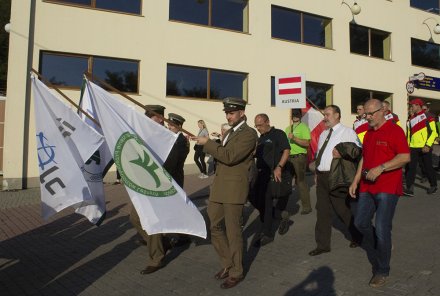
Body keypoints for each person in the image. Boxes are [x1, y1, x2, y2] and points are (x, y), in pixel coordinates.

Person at [194, 97, 257, 289]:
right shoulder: (229, 132)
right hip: (220, 188)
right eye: (227, 113)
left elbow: (230, 157)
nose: (228, 116)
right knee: (213, 226)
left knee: (234, 231)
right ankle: (227, 264)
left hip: (234, 189)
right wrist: (211, 143)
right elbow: (222, 154)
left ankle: (237, 271)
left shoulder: (249, 133)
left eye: (231, 113)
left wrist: (208, 143)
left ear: (242, 113)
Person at [349, 99, 410, 288]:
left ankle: (382, 270)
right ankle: (383, 243)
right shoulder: (368, 134)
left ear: (383, 111)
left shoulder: (395, 130)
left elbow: (405, 157)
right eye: (365, 114)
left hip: (388, 188)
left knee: (383, 229)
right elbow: (364, 158)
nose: (366, 117)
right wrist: (356, 180)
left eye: (370, 113)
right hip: (367, 187)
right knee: (360, 222)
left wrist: (382, 168)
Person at [308, 105, 362, 257]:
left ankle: (357, 235)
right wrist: (317, 172)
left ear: (337, 115)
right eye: (324, 114)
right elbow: (320, 154)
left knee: (342, 209)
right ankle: (323, 245)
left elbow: (358, 151)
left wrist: (343, 151)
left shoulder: (348, 132)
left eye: (328, 114)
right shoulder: (323, 133)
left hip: (337, 175)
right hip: (322, 176)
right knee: (322, 211)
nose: (325, 117)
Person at [253, 113, 291, 246]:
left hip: (274, 174)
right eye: (256, 126)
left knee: (267, 202)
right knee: (256, 200)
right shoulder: (260, 138)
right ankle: (281, 215)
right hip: (261, 175)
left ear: (267, 122)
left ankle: (267, 234)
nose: (258, 128)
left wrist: (279, 167)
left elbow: (286, 151)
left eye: (260, 125)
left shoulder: (278, 134)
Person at [404, 98, 438, 196]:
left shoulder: (429, 116)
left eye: (412, 105)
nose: (411, 107)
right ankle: (409, 188)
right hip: (413, 147)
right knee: (411, 168)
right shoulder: (410, 119)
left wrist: (428, 145)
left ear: (418, 105)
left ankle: (433, 185)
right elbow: (409, 134)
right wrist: (407, 146)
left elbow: (434, 133)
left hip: (425, 147)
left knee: (428, 167)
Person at [285, 108, 312, 215]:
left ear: (300, 115)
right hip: (289, 157)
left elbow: (307, 143)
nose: (295, 116)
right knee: (286, 182)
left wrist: (294, 138)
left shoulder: (304, 127)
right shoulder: (288, 128)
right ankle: (282, 207)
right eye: (293, 114)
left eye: (297, 114)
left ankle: (307, 207)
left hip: (299, 158)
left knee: (301, 182)